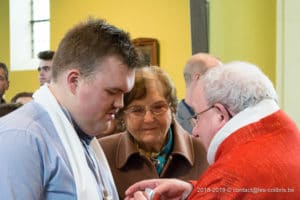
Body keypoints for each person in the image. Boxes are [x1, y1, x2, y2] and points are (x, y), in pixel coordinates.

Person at [0, 18, 141, 200]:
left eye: (124, 93)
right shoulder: (22, 138)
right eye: (112, 91)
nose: (120, 103)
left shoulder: (82, 134)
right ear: (74, 81)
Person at [125, 61, 300, 200]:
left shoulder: (230, 173)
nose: (195, 131)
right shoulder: (286, 130)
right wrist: (194, 191)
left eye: (198, 117)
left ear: (220, 115)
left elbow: (234, 184)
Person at [99, 66, 208, 199]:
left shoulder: (206, 152)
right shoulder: (101, 153)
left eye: (158, 107)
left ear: (172, 108)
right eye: (137, 110)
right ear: (123, 115)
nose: (149, 119)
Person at [176, 53, 221, 134]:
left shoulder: (222, 116)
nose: (222, 84)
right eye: (216, 77)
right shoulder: (173, 127)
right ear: (198, 79)